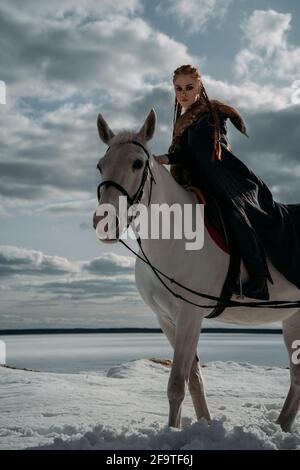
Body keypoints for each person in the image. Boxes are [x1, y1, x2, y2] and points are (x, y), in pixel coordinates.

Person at [154, 64, 300, 300]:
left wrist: (168, 158)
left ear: (199, 87)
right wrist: (167, 159)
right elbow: (191, 153)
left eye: (189, 87)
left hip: (222, 179)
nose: (183, 93)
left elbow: (203, 151)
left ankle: (259, 279)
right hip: (198, 181)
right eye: (178, 88)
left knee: (234, 215)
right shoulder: (185, 120)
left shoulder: (210, 116)